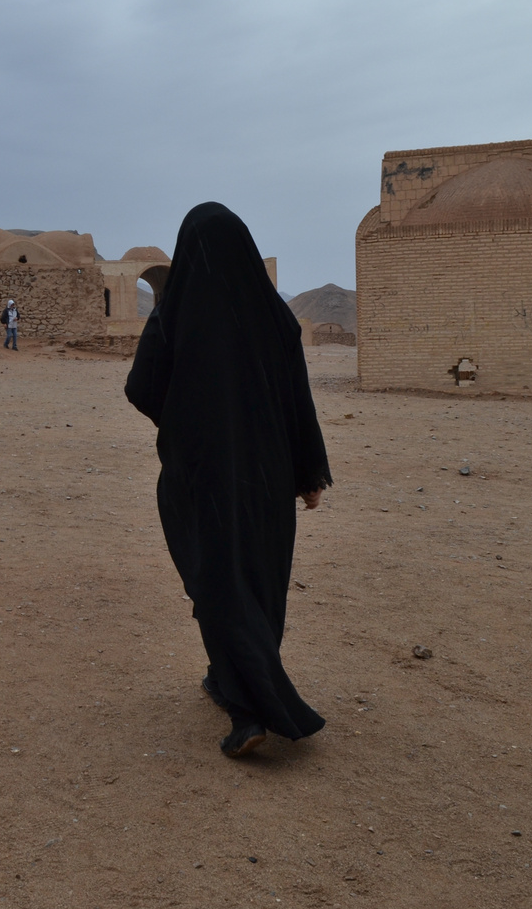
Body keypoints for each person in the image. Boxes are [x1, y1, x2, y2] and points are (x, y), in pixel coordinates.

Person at [124, 202, 332, 757]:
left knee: (216, 583)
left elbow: (141, 388)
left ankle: (248, 712)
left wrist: (189, 419)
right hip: (266, 479)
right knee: (259, 583)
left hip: (200, 477)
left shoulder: (175, 315)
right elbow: (298, 402)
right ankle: (229, 679)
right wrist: (310, 472)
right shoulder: (275, 317)